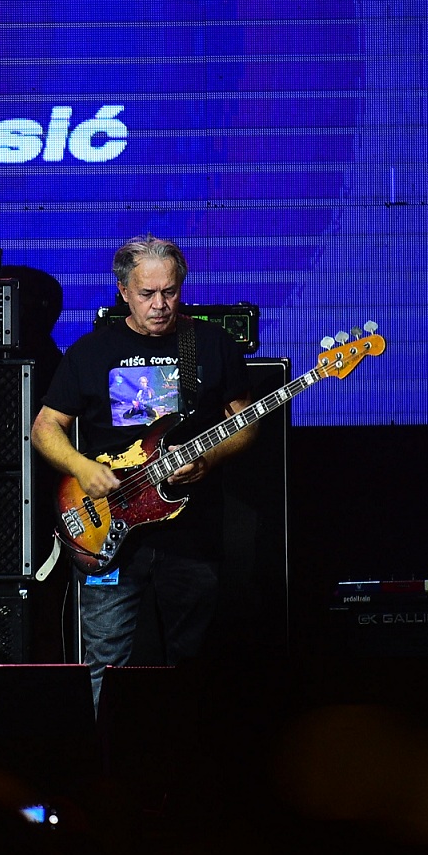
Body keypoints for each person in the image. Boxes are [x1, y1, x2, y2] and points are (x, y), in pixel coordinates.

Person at [31, 235, 255, 708]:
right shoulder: (91, 352)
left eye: (169, 292)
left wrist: (208, 459)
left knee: (193, 659)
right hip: (107, 526)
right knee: (105, 658)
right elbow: (45, 427)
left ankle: (185, 749)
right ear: (123, 291)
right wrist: (81, 467)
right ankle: (104, 751)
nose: (160, 305)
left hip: (190, 534)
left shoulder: (210, 344)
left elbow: (245, 423)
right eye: (147, 293)